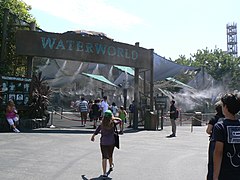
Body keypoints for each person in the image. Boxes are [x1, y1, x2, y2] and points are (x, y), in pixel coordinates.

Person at [213, 93, 240, 180]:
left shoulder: (220, 127)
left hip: (226, 172)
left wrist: (215, 176)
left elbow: (218, 152)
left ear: (225, 107)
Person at [91, 110, 122, 178]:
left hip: (103, 142)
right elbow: (120, 120)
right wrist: (114, 118)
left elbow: (96, 131)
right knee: (110, 155)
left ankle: (104, 173)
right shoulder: (113, 123)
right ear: (111, 116)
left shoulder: (101, 124)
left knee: (104, 157)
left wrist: (93, 136)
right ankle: (111, 166)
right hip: (111, 142)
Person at [206, 101, 225, 180]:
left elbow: (208, 130)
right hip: (224, 142)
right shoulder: (226, 119)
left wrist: (213, 132)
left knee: (212, 163)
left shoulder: (214, 119)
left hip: (214, 142)